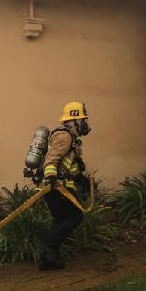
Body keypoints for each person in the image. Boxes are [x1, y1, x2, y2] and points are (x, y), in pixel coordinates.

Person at [39, 100, 91, 271]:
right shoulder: (65, 136)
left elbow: (69, 164)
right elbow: (52, 159)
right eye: (83, 120)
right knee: (75, 217)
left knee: (61, 219)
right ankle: (48, 247)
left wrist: (80, 178)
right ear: (74, 121)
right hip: (55, 187)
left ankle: (48, 257)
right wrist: (51, 177)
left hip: (60, 186)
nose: (86, 124)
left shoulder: (72, 139)